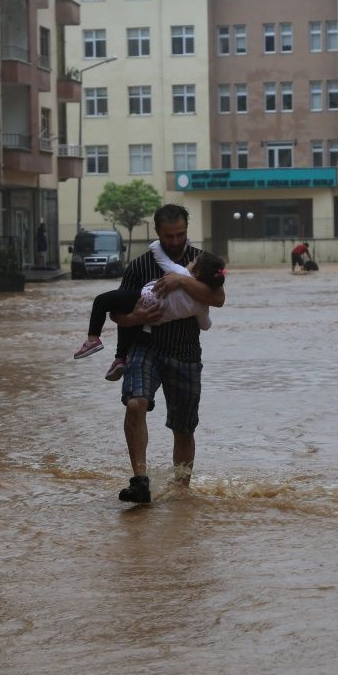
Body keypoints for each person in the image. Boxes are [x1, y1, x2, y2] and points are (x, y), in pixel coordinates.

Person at [108, 204, 225, 504]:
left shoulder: (202, 260)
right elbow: (118, 315)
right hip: (145, 346)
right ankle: (140, 481)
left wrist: (182, 280)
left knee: (183, 429)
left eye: (180, 235)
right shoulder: (139, 266)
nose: (175, 242)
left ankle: (182, 494)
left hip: (186, 351)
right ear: (157, 233)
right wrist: (138, 318)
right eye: (168, 236)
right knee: (135, 403)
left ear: (187, 230)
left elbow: (218, 298)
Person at [74, 243, 225, 372]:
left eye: (193, 262)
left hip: (145, 298)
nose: (190, 262)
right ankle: (119, 360)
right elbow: (205, 325)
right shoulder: (202, 305)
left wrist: (155, 245)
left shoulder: (183, 274)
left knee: (101, 301)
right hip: (158, 319)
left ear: (196, 271)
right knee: (129, 318)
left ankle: (94, 340)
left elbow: (163, 260)